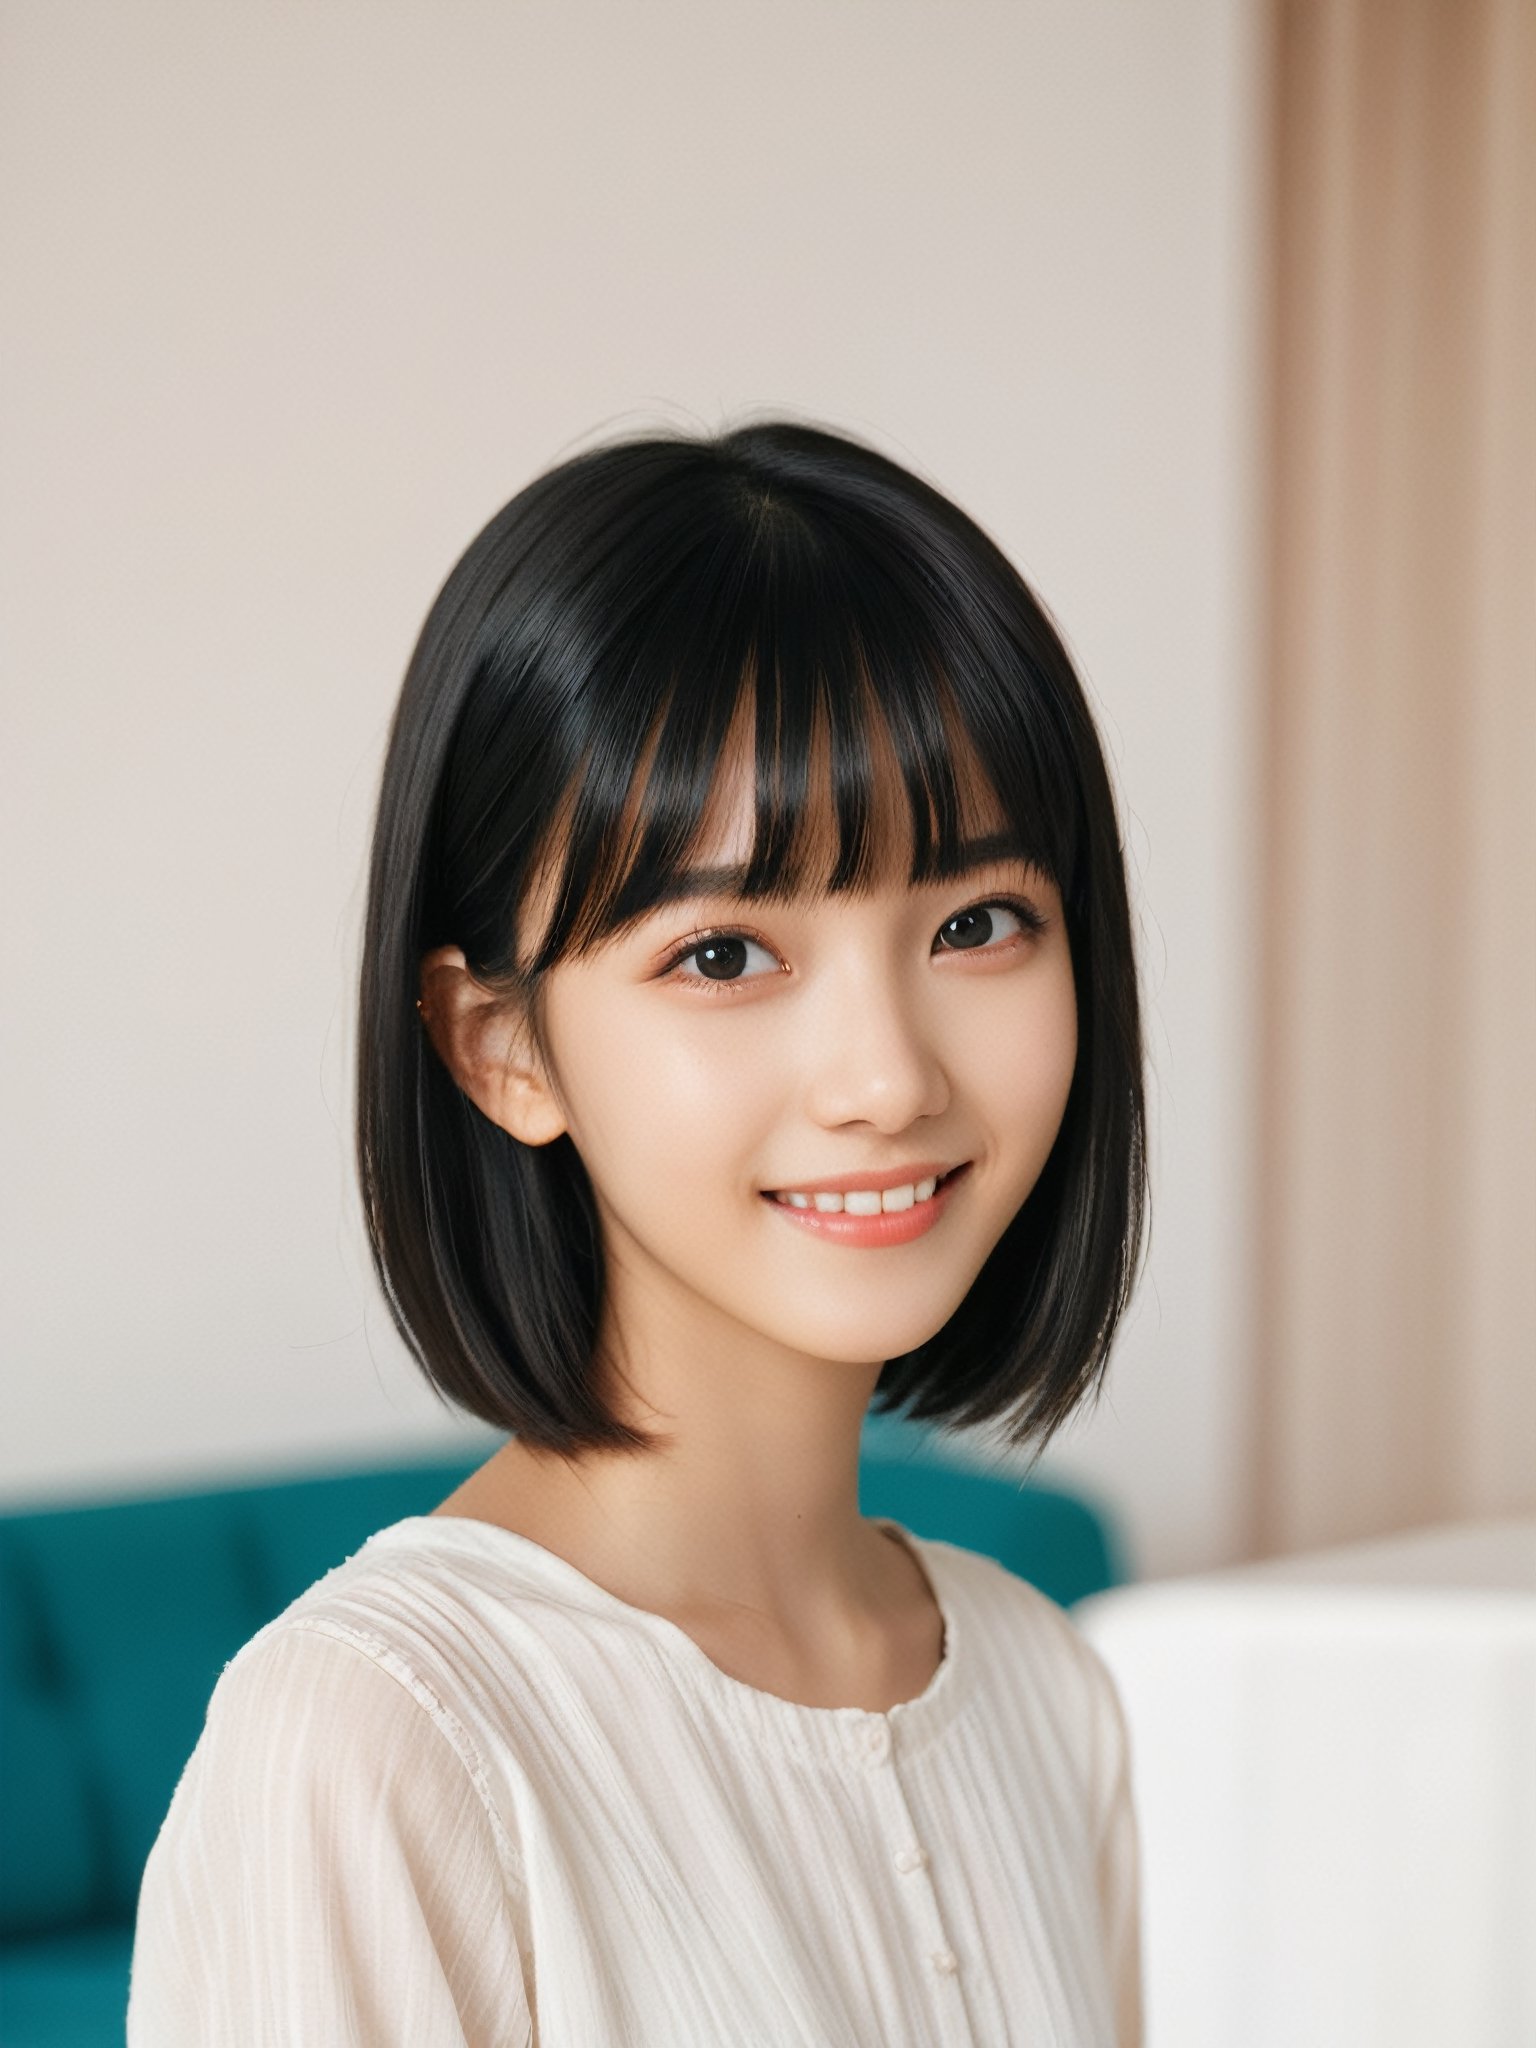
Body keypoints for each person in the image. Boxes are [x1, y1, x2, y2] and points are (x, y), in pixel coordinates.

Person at [127, 418, 1149, 2045]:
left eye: (976, 923)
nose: (888, 1077)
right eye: (727, 956)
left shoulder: (1046, 1690)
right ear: (501, 1046)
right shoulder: (376, 1744)